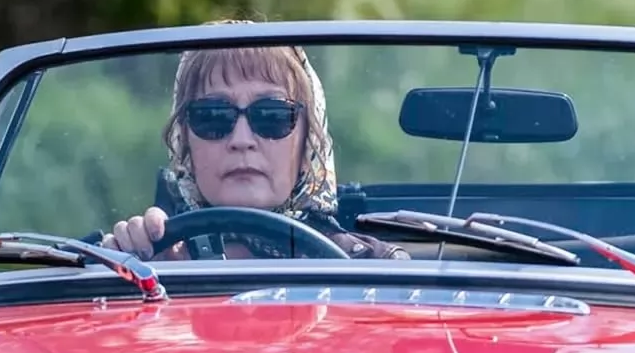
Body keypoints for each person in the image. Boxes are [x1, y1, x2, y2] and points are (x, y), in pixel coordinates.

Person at [100, 29, 408, 262]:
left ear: (309, 146)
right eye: (213, 116)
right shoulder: (149, 263)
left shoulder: (374, 267)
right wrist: (132, 261)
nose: (242, 140)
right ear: (185, 146)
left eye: (273, 115)